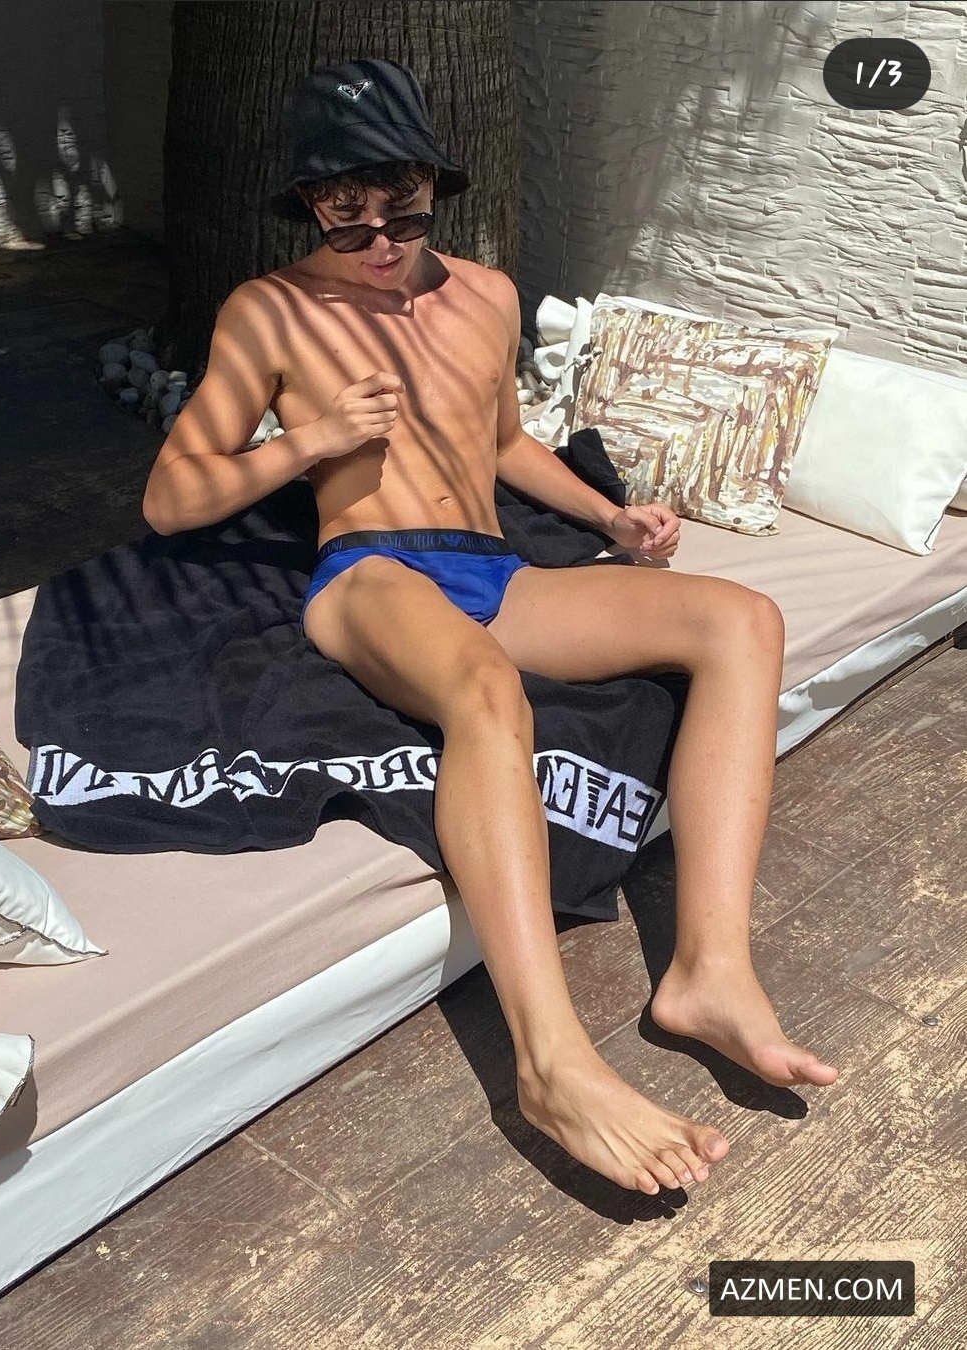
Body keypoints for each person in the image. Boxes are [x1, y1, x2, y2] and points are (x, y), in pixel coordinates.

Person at [142, 58, 838, 1196]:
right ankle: (550, 1061)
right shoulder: (271, 311)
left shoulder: (487, 294)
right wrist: (312, 441)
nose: (376, 238)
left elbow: (503, 441)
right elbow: (172, 498)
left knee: (740, 619)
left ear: (435, 184)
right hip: (368, 570)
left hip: (494, 567)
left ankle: (708, 971)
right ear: (309, 201)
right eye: (344, 214)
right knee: (483, 692)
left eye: (400, 209)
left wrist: (608, 515)